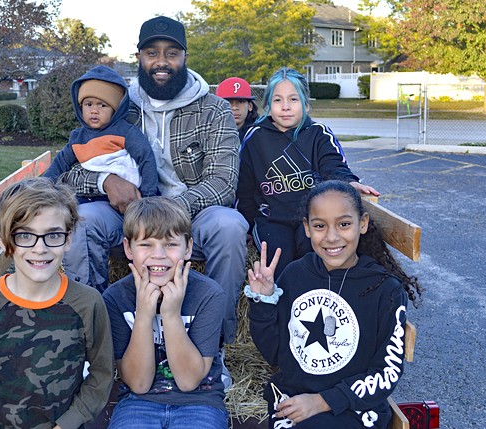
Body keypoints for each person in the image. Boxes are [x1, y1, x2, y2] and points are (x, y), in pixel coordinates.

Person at [59, 16, 248, 346]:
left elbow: (223, 182)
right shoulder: (119, 108)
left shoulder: (214, 109)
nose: (162, 61)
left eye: (172, 53)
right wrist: (105, 180)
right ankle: (96, 340)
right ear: (139, 57)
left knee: (230, 226)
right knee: (83, 221)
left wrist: (169, 209)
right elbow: (66, 170)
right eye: (152, 52)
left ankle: (214, 344)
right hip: (125, 214)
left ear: (185, 56)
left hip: (193, 214)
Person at [245, 180, 423, 429]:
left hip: (357, 410)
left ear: (362, 224)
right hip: (295, 402)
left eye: (344, 224)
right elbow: (274, 353)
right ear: (307, 228)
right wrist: (263, 301)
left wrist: (323, 401)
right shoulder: (295, 275)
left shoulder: (384, 290)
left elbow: (387, 373)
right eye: (320, 226)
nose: (331, 236)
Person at [0, 177, 114, 429]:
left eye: (53, 235)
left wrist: (68, 423)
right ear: (5, 241)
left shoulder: (87, 303)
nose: (40, 249)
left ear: (68, 239)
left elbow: (102, 374)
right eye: (25, 235)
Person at [236, 67, 380, 280]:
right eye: (277, 100)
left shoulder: (319, 134)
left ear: (306, 104)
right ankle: (280, 309)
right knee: (279, 260)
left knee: (313, 257)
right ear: (268, 105)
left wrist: (348, 182)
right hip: (273, 219)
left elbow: (332, 164)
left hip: (313, 218)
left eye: (293, 99)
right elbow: (244, 188)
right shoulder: (255, 138)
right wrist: (246, 225)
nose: (285, 107)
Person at [102, 196, 228, 428]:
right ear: (128, 248)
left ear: (188, 247)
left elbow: (189, 381)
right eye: (146, 244)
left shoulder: (208, 295)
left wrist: (170, 315)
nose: (158, 254)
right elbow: (138, 384)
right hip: (138, 402)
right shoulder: (115, 298)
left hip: (199, 402)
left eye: (170, 244)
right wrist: (143, 315)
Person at [44, 64, 159, 204]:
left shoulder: (125, 131)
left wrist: (148, 196)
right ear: (80, 107)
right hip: (90, 197)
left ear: (115, 109)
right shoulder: (77, 139)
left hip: (132, 196)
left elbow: (146, 158)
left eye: (102, 105)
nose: (94, 110)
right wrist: (43, 186)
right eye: (88, 104)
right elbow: (59, 164)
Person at [216, 76, 259, 141]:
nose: (235, 107)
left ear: (250, 106)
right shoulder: (209, 132)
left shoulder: (258, 133)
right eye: (228, 102)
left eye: (241, 101)